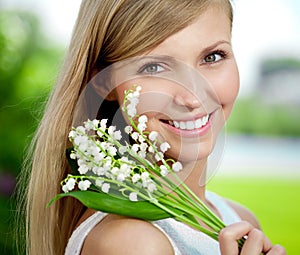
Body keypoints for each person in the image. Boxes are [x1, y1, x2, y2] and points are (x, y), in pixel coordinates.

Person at [19, 0, 287, 254]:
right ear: (103, 82)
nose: (193, 97)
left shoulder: (239, 220)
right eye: (155, 67)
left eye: (213, 57)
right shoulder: (133, 243)